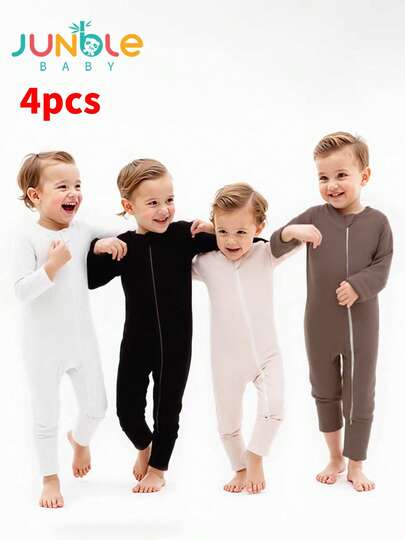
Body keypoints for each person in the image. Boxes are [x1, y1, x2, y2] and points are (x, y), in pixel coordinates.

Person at [270, 132, 393, 491]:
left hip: (362, 327)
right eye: (323, 177)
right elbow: (275, 246)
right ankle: (335, 456)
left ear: (364, 176)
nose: (331, 185)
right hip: (319, 325)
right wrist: (292, 231)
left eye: (341, 175)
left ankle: (356, 464)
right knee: (324, 391)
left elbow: (383, 267)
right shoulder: (314, 217)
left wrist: (358, 285)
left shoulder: (378, 223)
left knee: (360, 394)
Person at [87, 158, 218, 493]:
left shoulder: (184, 234)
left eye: (169, 200)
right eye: (153, 203)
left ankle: (158, 468)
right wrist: (98, 246)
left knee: (167, 410)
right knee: (127, 411)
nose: (164, 210)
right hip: (136, 341)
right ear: (128, 206)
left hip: (176, 344)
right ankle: (144, 445)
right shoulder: (124, 246)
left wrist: (213, 228)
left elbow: (241, 242)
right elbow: (87, 279)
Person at [14, 151, 126, 508]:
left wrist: (100, 244)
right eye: (62, 186)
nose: (74, 193)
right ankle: (50, 478)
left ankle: (79, 440)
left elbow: (126, 232)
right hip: (42, 346)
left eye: (78, 185)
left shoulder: (82, 230)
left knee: (97, 408)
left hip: (81, 340)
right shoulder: (26, 237)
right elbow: (21, 291)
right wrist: (52, 266)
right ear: (35, 196)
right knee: (46, 415)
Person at [192, 183, 297, 494]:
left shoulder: (265, 254)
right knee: (227, 425)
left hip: (266, 355)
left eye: (241, 232)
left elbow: (289, 239)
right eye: (223, 232)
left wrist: (294, 231)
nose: (231, 241)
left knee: (275, 407)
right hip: (226, 361)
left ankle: (255, 456)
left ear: (258, 228)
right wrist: (207, 233)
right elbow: (169, 258)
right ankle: (239, 469)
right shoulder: (206, 262)